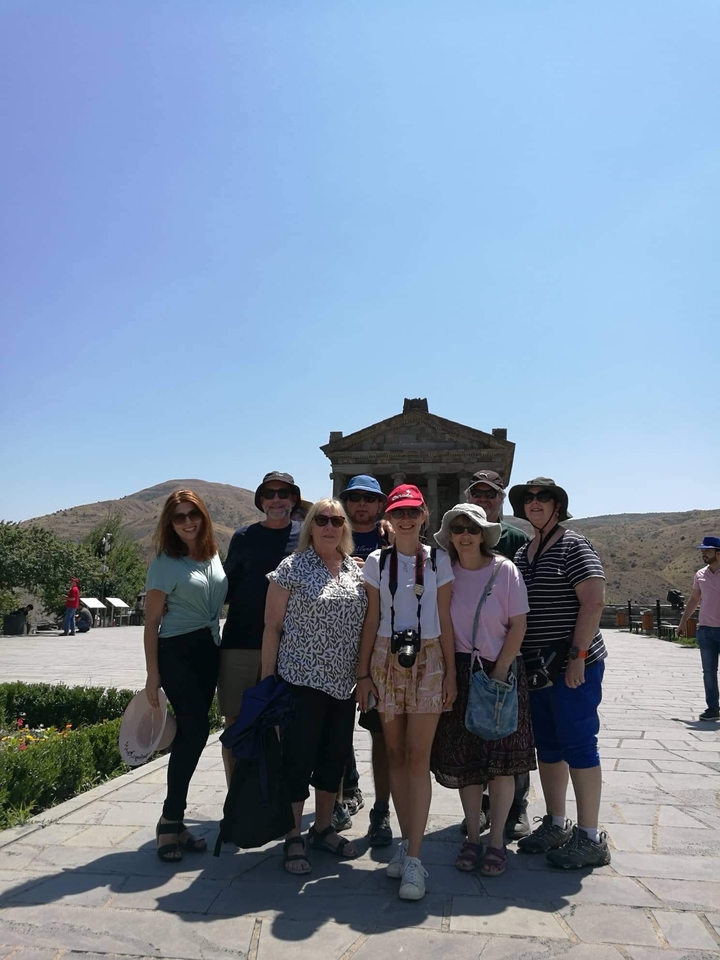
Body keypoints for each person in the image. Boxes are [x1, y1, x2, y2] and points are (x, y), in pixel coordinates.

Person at [357, 484, 456, 901]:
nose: (406, 518)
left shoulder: (439, 561)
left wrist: (450, 673)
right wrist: (362, 674)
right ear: (390, 517)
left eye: (413, 512)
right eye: (399, 512)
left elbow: (446, 618)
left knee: (418, 758)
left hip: (429, 658)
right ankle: (405, 840)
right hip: (386, 657)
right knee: (394, 755)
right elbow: (372, 617)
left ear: (424, 515)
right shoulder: (377, 562)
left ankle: (415, 857)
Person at [508, 477, 610, 869]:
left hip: (571, 664)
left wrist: (578, 656)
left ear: (557, 505)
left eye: (542, 497)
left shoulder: (573, 545)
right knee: (548, 746)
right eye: (528, 498)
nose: (534, 503)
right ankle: (555, 823)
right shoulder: (524, 552)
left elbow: (594, 600)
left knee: (579, 743)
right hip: (537, 668)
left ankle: (589, 836)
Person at [262, 498, 368, 875]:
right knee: (297, 760)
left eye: (337, 520)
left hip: (342, 686)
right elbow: (272, 628)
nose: (329, 526)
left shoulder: (356, 571)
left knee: (333, 760)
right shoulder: (291, 567)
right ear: (310, 526)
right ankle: (293, 835)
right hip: (300, 682)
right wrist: (267, 681)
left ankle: (323, 828)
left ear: (345, 528)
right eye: (321, 519)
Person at [431, 504, 535, 877]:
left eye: (472, 528)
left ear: (483, 534)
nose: (465, 534)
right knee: (469, 763)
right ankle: (473, 837)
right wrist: (448, 675)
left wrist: (501, 671)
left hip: (501, 671)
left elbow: (518, 625)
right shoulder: (446, 573)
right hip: (459, 669)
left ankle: (496, 843)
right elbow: (442, 625)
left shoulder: (504, 570)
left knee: (502, 764)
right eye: (457, 528)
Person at [144, 490, 228, 862]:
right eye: (179, 517)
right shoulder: (165, 562)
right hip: (177, 651)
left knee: (194, 734)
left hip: (210, 649)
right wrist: (152, 675)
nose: (188, 522)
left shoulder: (212, 554)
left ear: (204, 516)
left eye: (193, 514)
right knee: (193, 732)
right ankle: (169, 819)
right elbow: (151, 624)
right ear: (170, 524)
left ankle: (175, 821)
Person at [219, 471, 302, 786]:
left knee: (282, 724)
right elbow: (225, 586)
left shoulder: (306, 535)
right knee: (236, 722)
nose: (277, 499)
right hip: (240, 642)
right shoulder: (243, 537)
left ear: (293, 499)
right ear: (261, 500)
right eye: (270, 494)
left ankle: (274, 801)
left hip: (288, 646)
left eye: (283, 493)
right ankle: (235, 801)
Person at [466, 470, 532, 840]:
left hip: (507, 652)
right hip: (469, 654)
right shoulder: (458, 538)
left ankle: (516, 808)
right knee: (477, 732)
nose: (484, 499)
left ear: (500, 498)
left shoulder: (517, 541)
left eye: (490, 494)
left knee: (510, 736)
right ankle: (482, 811)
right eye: (477, 493)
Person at [337, 475, 392, 845]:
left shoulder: (390, 539)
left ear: (379, 505)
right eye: (354, 498)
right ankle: (344, 793)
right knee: (336, 728)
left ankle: (381, 810)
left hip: (379, 651)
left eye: (368, 499)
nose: (361, 505)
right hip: (338, 647)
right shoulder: (330, 533)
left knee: (381, 734)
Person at [678, 536, 720, 721]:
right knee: (709, 672)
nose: (703, 553)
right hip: (705, 630)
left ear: (718, 553)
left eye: (707, 550)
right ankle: (712, 708)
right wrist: (682, 622)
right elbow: (694, 600)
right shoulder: (700, 575)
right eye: (702, 550)